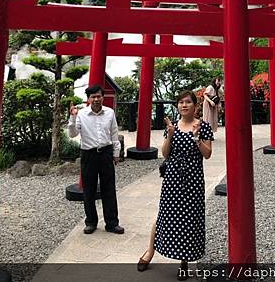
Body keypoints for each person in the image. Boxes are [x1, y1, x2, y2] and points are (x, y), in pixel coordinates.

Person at [137, 90, 213, 280]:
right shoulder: (173, 126)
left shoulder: (202, 126)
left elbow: (207, 154)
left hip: (193, 179)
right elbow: (165, 153)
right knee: (164, 215)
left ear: (195, 106)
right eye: (180, 102)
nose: (184, 105)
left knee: (190, 218)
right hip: (172, 179)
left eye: (188, 102)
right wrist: (170, 135)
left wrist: (196, 139)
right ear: (177, 106)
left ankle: (184, 261)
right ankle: (150, 251)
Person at [68, 84, 124, 235]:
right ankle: (91, 222)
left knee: (109, 189)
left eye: (99, 96)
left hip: (105, 153)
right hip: (88, 154)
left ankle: (112, 223)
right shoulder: (81, 115)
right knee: (89, 190)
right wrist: (72, 117)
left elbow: (114, 133)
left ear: (102, 97)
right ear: (88, 99)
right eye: (93, 97)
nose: (96, 99)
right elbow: (72, 135)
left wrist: (116, 152)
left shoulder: (110, 113)